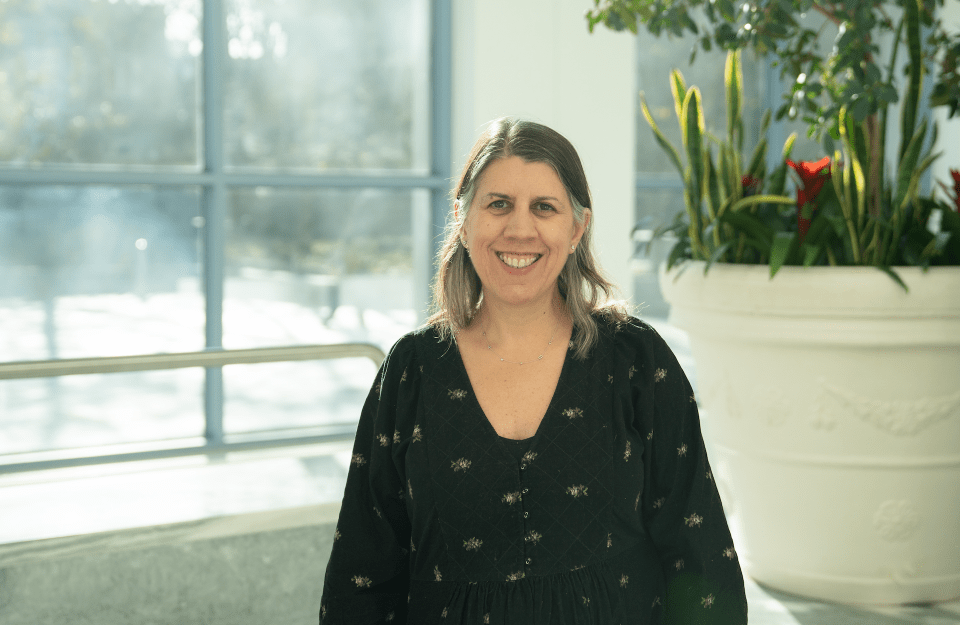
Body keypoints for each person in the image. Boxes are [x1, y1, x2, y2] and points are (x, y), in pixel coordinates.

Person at [319, 118, 747, 624]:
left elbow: (701, 561)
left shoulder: (637, 364)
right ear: (463, 219)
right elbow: (362, 577)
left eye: (544, 207)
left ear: (576, 228)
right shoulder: (412, 371)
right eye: (498, 204)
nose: (520, 229)